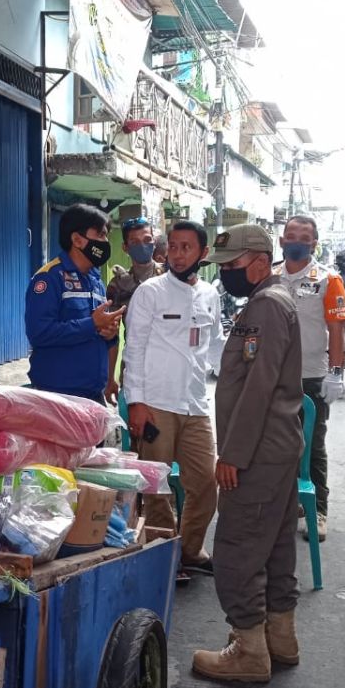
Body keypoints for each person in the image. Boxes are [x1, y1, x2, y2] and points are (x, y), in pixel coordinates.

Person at [191, 224, 304, 683]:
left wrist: (232, 455)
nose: (226, 276)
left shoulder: (267, 306)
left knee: (237, 548)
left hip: (257, 451)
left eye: (232, 266)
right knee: (275, 546)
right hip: (275, 447)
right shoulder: (269, 302)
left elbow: (258, 388)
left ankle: (249, 651)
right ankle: (280, 639)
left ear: (259, 261)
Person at [123, 221, 222, 581]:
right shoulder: (150, 292)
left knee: (206, 485)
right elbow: (132, 348)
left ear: (203, 254)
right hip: (156, 403)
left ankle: (191, 549)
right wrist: (136, 401)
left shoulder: (211, 294)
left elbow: (215, 349)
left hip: (196, 404)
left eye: (187, 248)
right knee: (157, 485)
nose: (179, 255)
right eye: (175, 247)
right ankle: (163, 554)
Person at [276, 216, 345, 541]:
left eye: (304, 237)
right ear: (281, 240)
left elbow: (337, 328)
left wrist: (335, 373)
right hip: (275, 377)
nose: (297, 242)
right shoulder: (271, 277)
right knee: (276, 444)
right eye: (291, 236)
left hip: (312, 377)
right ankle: (287, 504)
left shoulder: (328, 280)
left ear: (314, 244)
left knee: (313, 446)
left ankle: (318, 510)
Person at [25, 205, 124, 402]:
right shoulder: (49, 279)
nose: (105, 241)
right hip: (58, 396)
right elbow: (39, 333)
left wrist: (109, 333)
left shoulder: (96, 281)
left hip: (93, 394)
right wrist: (92, 324)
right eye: (101, 235)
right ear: (77, 239)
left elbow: (99, 334)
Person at [104, 216, 163, 404]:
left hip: (168, 370)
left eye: (147, 240)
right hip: (134, 371)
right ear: (125, 248)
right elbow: (112, 336)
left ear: (154, 241)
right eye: (135, 242)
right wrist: (109, 378)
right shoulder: (118, 285)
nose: (142, 246)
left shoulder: (172, 277)